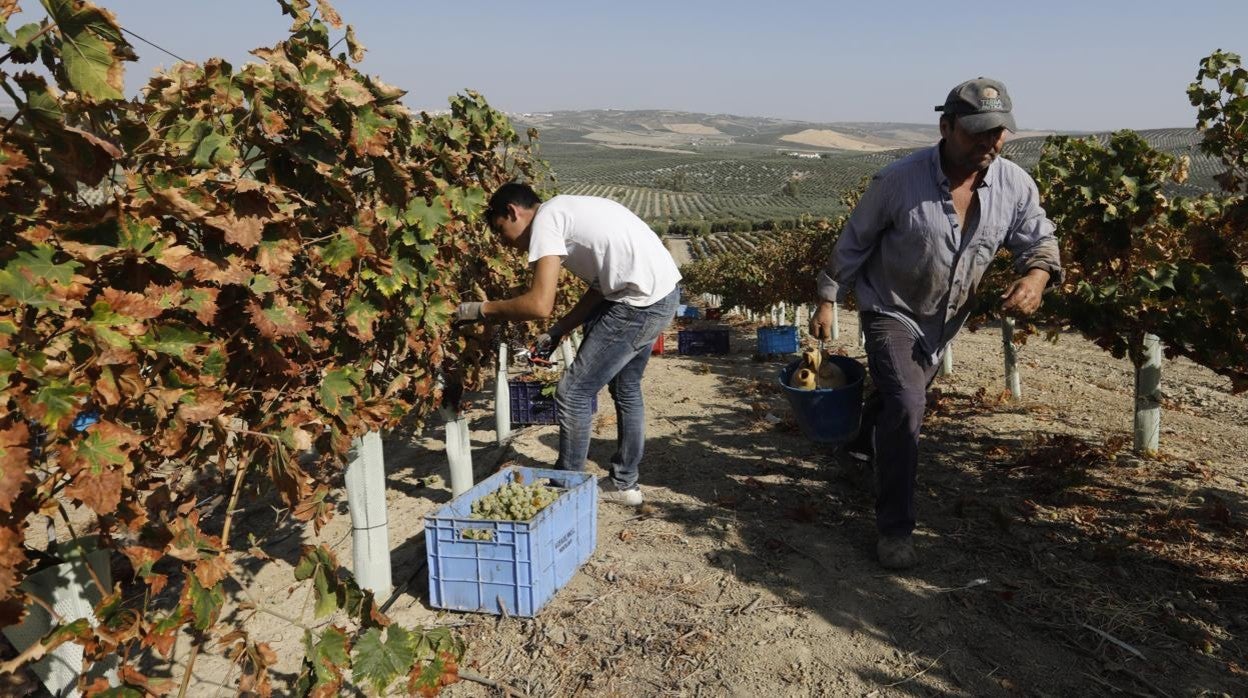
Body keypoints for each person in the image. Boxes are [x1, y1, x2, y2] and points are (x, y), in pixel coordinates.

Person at [809, 78, 1063, 570]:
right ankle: (895, 528)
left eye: (999, 133)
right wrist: (827, 298)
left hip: (944, 321)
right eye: (978, 132)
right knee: (908, 401)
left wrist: (1035, 277)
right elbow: (855, 241)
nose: (990, 143)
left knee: (897, 396)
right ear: (946, 126)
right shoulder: (898, 181)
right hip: (890, 307)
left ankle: (861, 449)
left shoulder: (1015, 185)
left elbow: (1039, 240)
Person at [455, 182, 682, 506]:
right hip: (660, 292)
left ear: (513, 212)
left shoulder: (546, 219)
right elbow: (601, 287)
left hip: (639, 303)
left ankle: (566, 490)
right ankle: (624, 484)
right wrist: (560, 330)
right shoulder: (567, 212)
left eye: (504, 232)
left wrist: (479, 310)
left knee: (572, 393)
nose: (510, 245)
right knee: (626, 388)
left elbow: (538, 304)